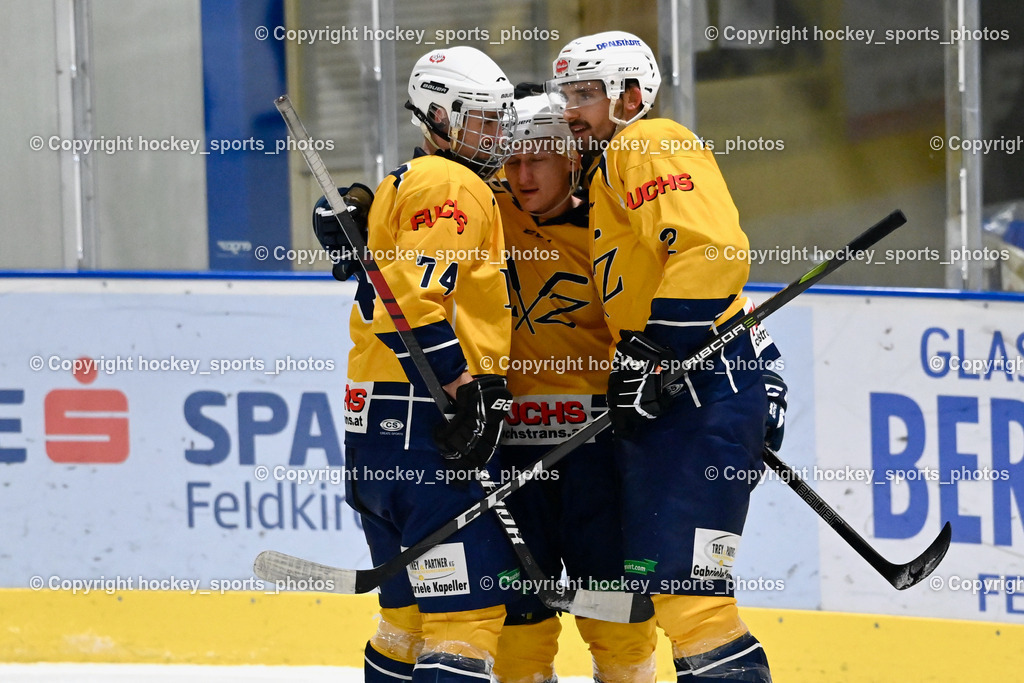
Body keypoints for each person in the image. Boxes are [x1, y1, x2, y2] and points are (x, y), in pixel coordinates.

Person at [546, 31, 787, 682]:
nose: (572, 109)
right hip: (680, 389)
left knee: (692, 598)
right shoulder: (606, 167)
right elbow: (695, 279)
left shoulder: (648, 141)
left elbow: (712, 251)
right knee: (668, 588)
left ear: (631, 95)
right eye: (566, 93)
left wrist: (656, 351)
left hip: (699, 388)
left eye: (586, 94)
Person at [316, 45, 521, 683]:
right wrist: (463, 387)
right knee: (467, 616)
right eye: (482, 120)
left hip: (373, 423)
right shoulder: (454, 184)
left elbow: (386, 278)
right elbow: (411, 295)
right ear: (438, 117)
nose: (498, 135)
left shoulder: (407, 182)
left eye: (500, 119)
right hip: (424, 418)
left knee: (407, 616)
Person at [488, 94, 659, 683]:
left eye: (537, 159)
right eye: (510, 160)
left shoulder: (611, 225)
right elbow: (420, 206)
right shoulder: (487, 214)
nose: (522, 174)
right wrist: (363, 207)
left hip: (597, 447)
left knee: (616, 616)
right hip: (507, 448)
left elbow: (687, 293)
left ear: (570, 157)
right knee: (515, 618)